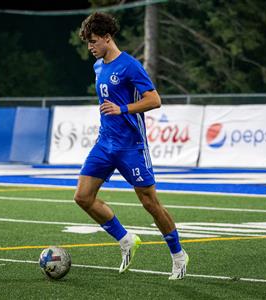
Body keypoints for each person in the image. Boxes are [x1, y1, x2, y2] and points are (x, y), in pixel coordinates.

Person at [74, 12, 188, 280]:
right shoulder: (98, 66)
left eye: (93, 41)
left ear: (107, 37)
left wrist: (122, 108)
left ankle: (179, 256)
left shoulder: (130, 66)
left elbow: (155, 100)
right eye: (87, 43)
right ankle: (125, 240)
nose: (90, 47)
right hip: (105, 144)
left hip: (131, 146)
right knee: (82, 197)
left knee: (150, 203)